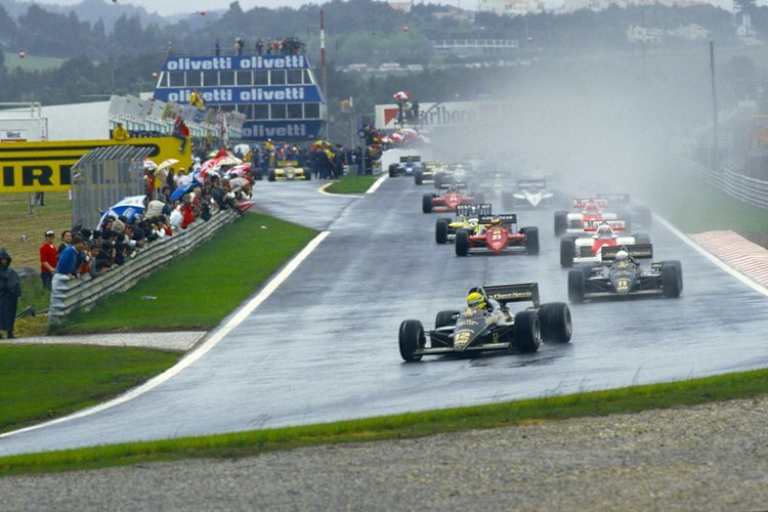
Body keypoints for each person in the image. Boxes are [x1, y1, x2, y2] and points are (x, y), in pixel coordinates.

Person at [0, 248, 21, 339]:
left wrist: (18, 294)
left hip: (11, 298)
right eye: (2, 259)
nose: (4, 261)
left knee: (11, 315)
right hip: (1, 297)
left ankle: (10, 332)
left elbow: (16, 283)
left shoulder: (11, 271)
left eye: (5, 259)